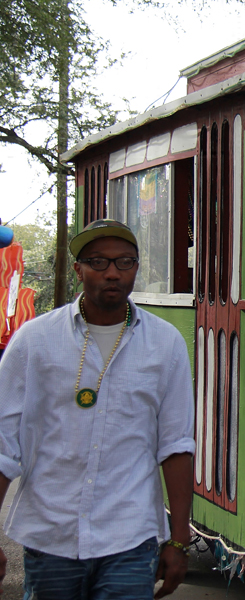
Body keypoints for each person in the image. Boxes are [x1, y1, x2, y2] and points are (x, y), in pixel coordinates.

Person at [0, 219, 195, 598]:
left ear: (136, 268)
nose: (112, 273)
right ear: (78, 270)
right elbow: (3, 446)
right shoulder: (33, 342)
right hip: (50, 535)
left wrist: (180, 539)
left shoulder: (165, 344)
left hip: (130, 536)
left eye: (125, 263)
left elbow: (176, 445)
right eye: (98, 262)